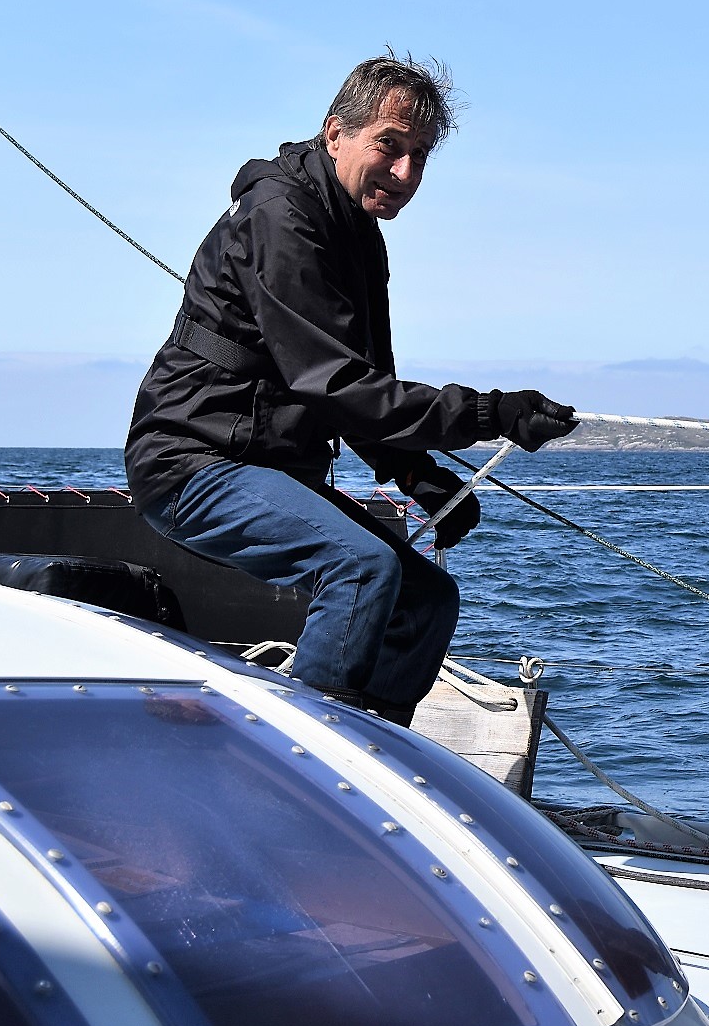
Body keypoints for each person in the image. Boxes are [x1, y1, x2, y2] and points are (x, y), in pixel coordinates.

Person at [125, 53, 579, 725]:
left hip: (266, 466)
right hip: (193, 462)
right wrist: (492, 413)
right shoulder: (280, 216)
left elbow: (368, 381)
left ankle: (373, 762)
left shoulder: (360, 234)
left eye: (419, 157)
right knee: (364, 568)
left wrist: (414, 472)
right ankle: (301, 774)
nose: (405, 173)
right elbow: (334, 384)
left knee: (427, 601)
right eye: (389, 148)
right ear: (336, 133)